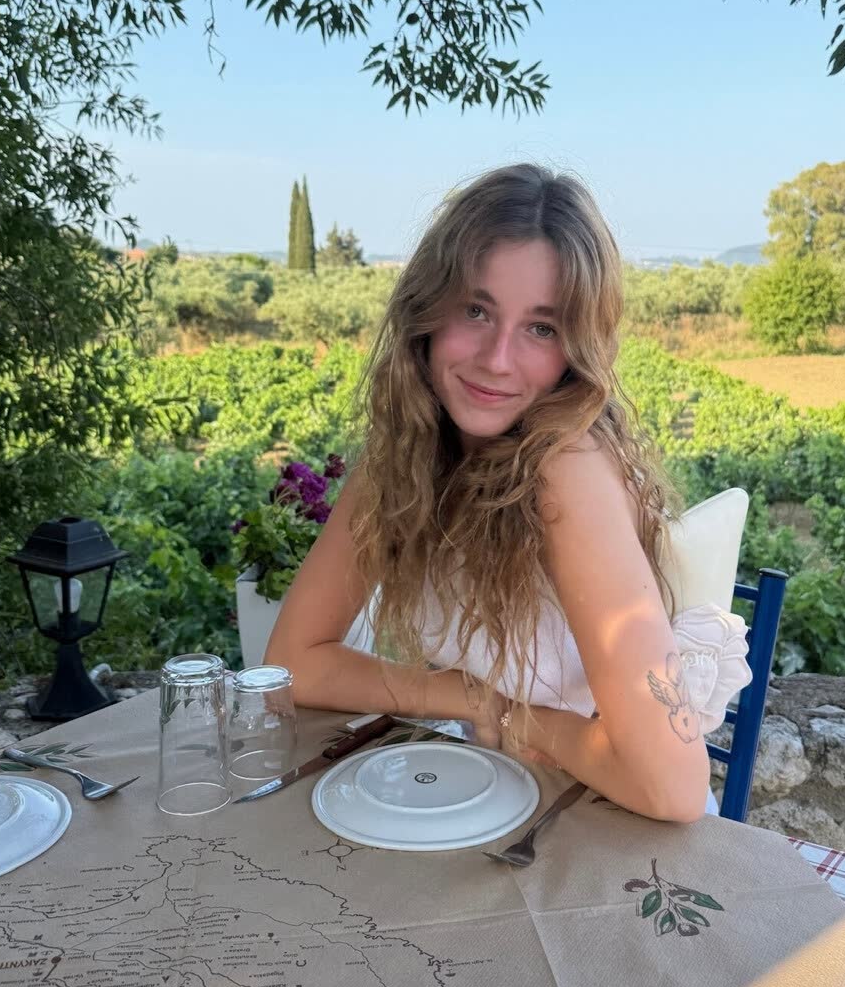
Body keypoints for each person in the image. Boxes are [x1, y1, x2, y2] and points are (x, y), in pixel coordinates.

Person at [264, 163, 751, 822]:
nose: (497, 359)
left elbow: (671, 788)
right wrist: (468, 698)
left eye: (541, 328)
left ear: (577, 349)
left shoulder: (567, 469)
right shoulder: (406, 455)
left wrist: (524, 721)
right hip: (490, 800)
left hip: (606, 828)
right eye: (476, 310)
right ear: (426, 313)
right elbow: (291, 665)